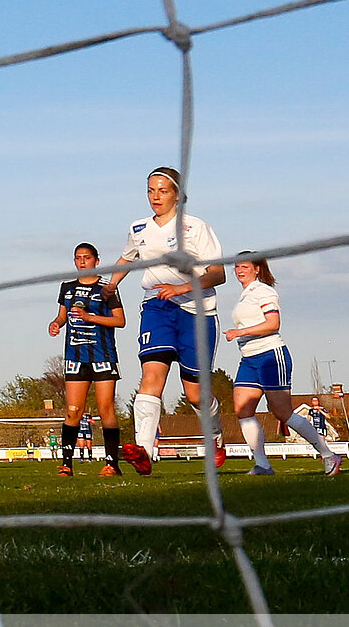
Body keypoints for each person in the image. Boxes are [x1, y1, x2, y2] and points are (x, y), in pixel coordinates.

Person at [116, 167, 227, 475]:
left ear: (178, 194)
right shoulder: (138, 228)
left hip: (197, 312)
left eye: (163, 191)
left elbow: (218, 273)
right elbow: (127, 257)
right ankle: (145, 451)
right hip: (157, 307)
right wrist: (110, 286)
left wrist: (180, 287)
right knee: (151, 375)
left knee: (196, 393)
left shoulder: (196, 227)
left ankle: (216, 439)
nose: (156, 197)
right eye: (151, 190)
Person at [223, 254, 341, 476]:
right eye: (237, 266)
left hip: (270, 355)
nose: (239, 270)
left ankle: (328, 455)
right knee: (242, 409)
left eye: (244, 266)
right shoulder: (244, 295)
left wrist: (240, 332)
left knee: (282, 412)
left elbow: (273, 323)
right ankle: (262, 465)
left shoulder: (264, 291)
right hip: (248, 358)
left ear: (257, 269)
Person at [48, 242, 126, 477]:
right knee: (73, 410)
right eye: (78, 258)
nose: (82, 262)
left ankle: (112, 463)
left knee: (106, 409)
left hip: (102, 355)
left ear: (96, 261)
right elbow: (62, 316)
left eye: (87, 258)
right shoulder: (67, 287)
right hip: (75, 357)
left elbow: (119, 321)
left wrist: (90, 317)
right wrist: (56, 324)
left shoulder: (106, 289)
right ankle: (66, 464)